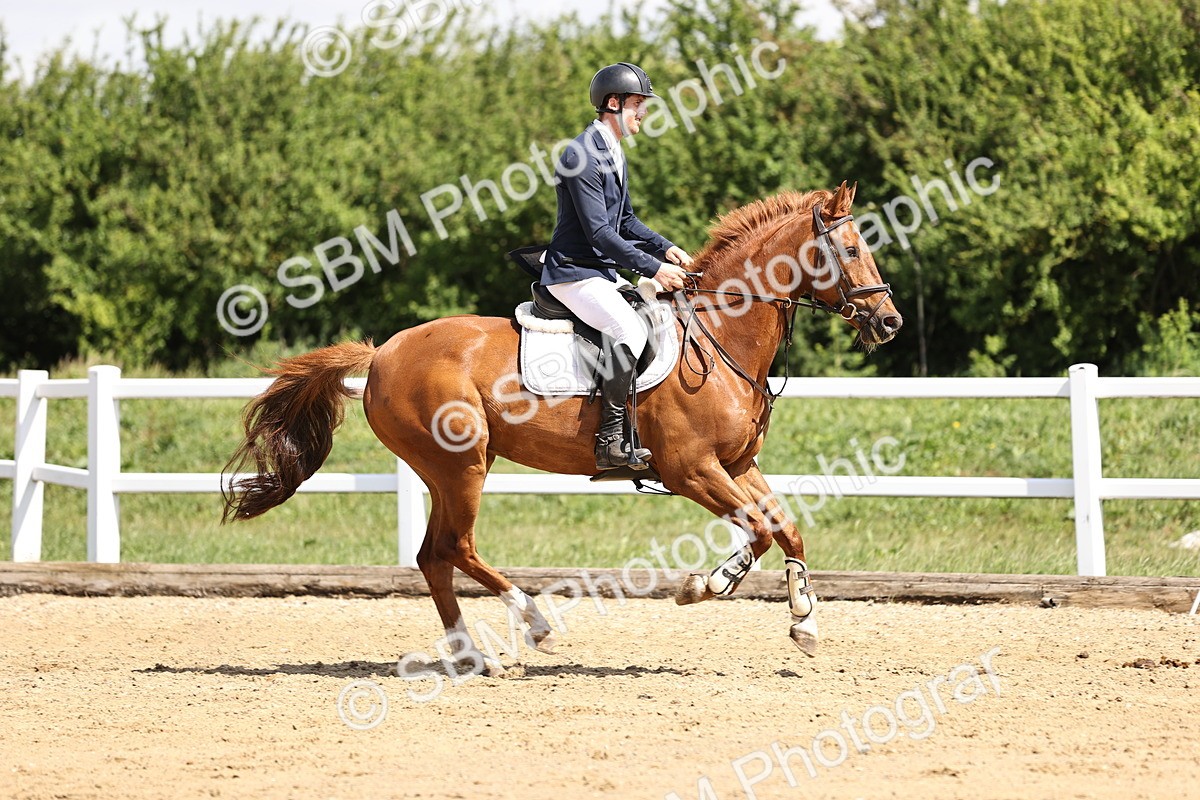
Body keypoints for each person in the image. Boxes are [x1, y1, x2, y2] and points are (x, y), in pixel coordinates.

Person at [541, 62, 694, 472]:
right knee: (629, 328)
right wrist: (654, 269)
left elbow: (624, 222)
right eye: (638, 103)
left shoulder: (613, 150)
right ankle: (610, 441)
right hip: (574, 273)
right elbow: (599, 234)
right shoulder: (581, 154)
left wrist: (667, 249)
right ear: (614, 103)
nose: (644, 112)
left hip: (599, 273)